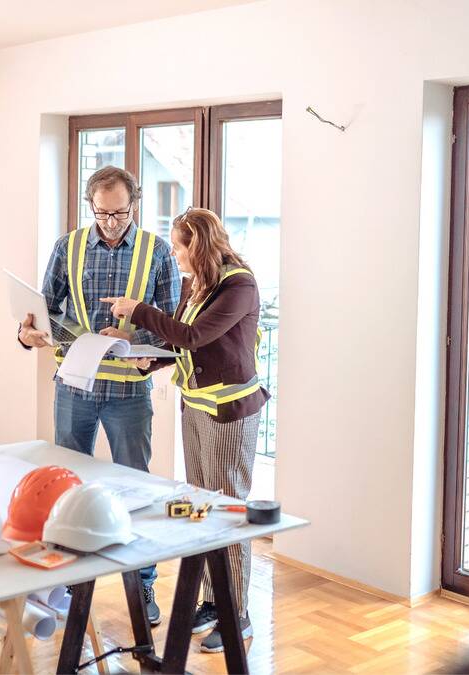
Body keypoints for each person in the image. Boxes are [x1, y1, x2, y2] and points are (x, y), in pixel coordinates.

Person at [17, 165, 180, 625]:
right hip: (74, 385)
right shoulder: (67, 247)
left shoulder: (158, 251)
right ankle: (69, 580)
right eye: (102, 213)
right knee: (67, 484)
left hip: (128, 392)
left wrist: (140, 340)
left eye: (120, 213)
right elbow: (42, 309)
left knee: (136, 488)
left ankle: (142, 586)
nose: (110, 222)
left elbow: (171, 325)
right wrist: (26, 333)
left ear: (135, 204)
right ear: (90, 205)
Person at [102, 207, 269, 653]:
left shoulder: (239, 285)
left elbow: (193, 336)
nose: (174, 253)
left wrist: (139, 311)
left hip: (231, 410)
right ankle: (213, 601)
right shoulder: (200, 283)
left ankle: (238, 614)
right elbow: (180, 343)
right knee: (202, 504)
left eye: (179, 245)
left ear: (198, 244)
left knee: (230, 507)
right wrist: (149, 360)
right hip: (196, 404)